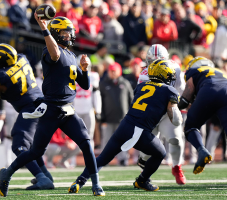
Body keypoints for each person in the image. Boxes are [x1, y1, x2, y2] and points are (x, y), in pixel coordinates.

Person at [0, 15, 105, 197]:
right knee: (36, 151)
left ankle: (96, 184)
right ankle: (7, 172)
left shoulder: (71, 55)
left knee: (86, 144)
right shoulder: (49, 52)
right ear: (55, 34)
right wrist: (44, 28)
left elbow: (84, 84)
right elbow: (55, 54)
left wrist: (85, 69)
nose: (69, 35)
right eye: (64, 33)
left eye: (70, 32)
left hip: (68, 110)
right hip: (52, 109)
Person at [68, 59, 182, 192]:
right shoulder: (169, 90)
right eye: (168, 75)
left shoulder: (141, 85)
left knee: (103, 157)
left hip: (125, 125)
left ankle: (79, 182)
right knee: (160, 153)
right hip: (140, 131)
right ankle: (142, 180)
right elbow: (174, 119)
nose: (170, 77)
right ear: (162, 74)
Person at [0, 43, 54, 192]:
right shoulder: (22, 58)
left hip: (30, 109)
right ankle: (46, 175)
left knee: (19, 145)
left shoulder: (2, 77)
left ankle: (41, 178)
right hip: (42, 104)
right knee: (32, 145)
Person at [136, 44, 187, 185]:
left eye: (159, 62)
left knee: (175, 139)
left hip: (167, 111)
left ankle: (176, 166)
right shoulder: (144, 73)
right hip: (150, 112)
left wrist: (173, 104)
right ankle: (144, 167)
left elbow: (180, 90)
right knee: (147, 151)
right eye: (153, 62)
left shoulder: (176, 69)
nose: (156, 65)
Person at [177, 56, 227, 174]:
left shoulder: (194, 71)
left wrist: (173, 107)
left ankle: (202, 150)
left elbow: (185, 99)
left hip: (208, 91)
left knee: (190, 127)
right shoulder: (221, 71)